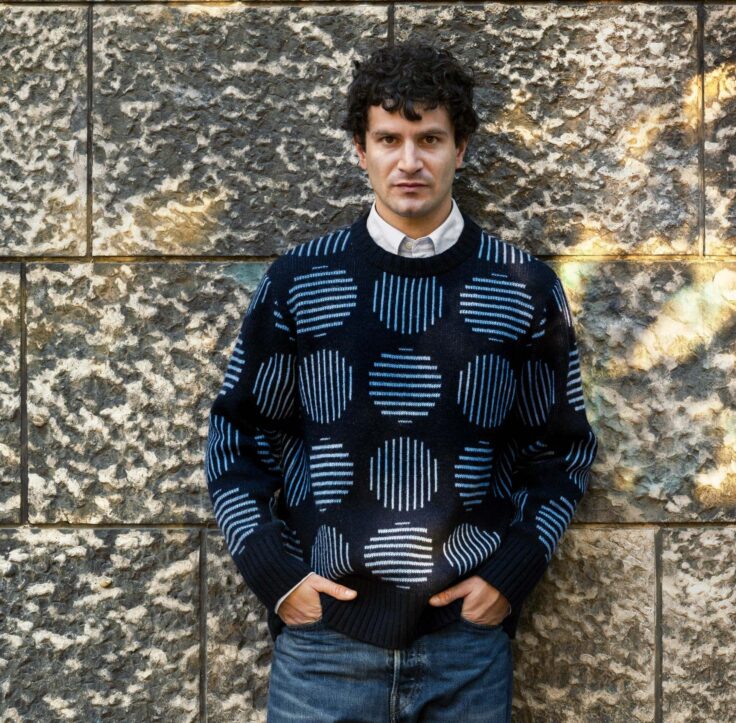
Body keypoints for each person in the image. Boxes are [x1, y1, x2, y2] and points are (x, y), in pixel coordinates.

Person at [203, 39, 598, 722]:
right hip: (323, 649)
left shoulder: (523, 288)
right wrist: (278, 577)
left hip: (464, 650)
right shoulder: (300, 282)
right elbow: (236, 439)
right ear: (361, 150)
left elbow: (561, 449)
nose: (409, 161)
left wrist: (509, 575)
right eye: (389, 139)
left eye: (429, 139)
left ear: (460, 149)